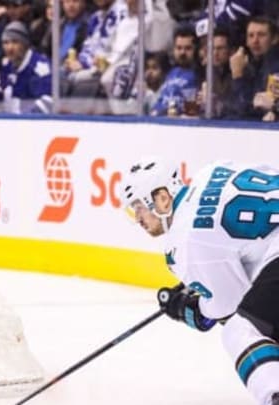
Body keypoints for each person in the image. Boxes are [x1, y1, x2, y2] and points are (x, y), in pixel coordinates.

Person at [120, 157, 279, 405]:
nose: (138, 217)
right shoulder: (213, 170)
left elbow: (229, 307)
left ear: (162, 198)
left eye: (139, 206)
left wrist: (192, 309)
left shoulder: (184, 243)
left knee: (243, 330)